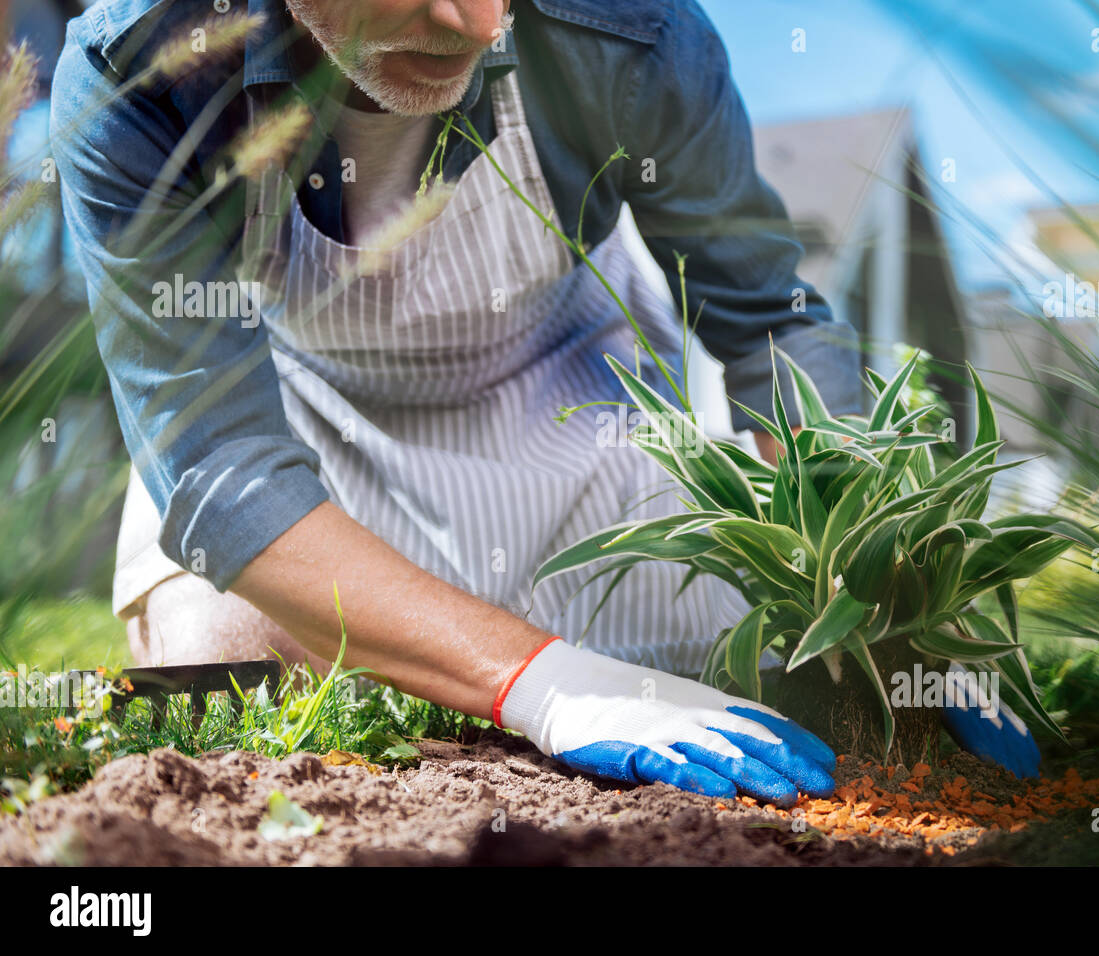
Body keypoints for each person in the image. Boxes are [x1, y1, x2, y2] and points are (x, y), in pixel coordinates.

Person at [50, 0, 1035, 806]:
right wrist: (544, 680)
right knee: (216, 667)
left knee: (743, 661)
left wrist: (881, 580)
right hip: (307, 413)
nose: (478, 23)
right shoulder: (141, 74)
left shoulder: (632, 32)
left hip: (573, 403)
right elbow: (221, 469)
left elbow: (766, 321)